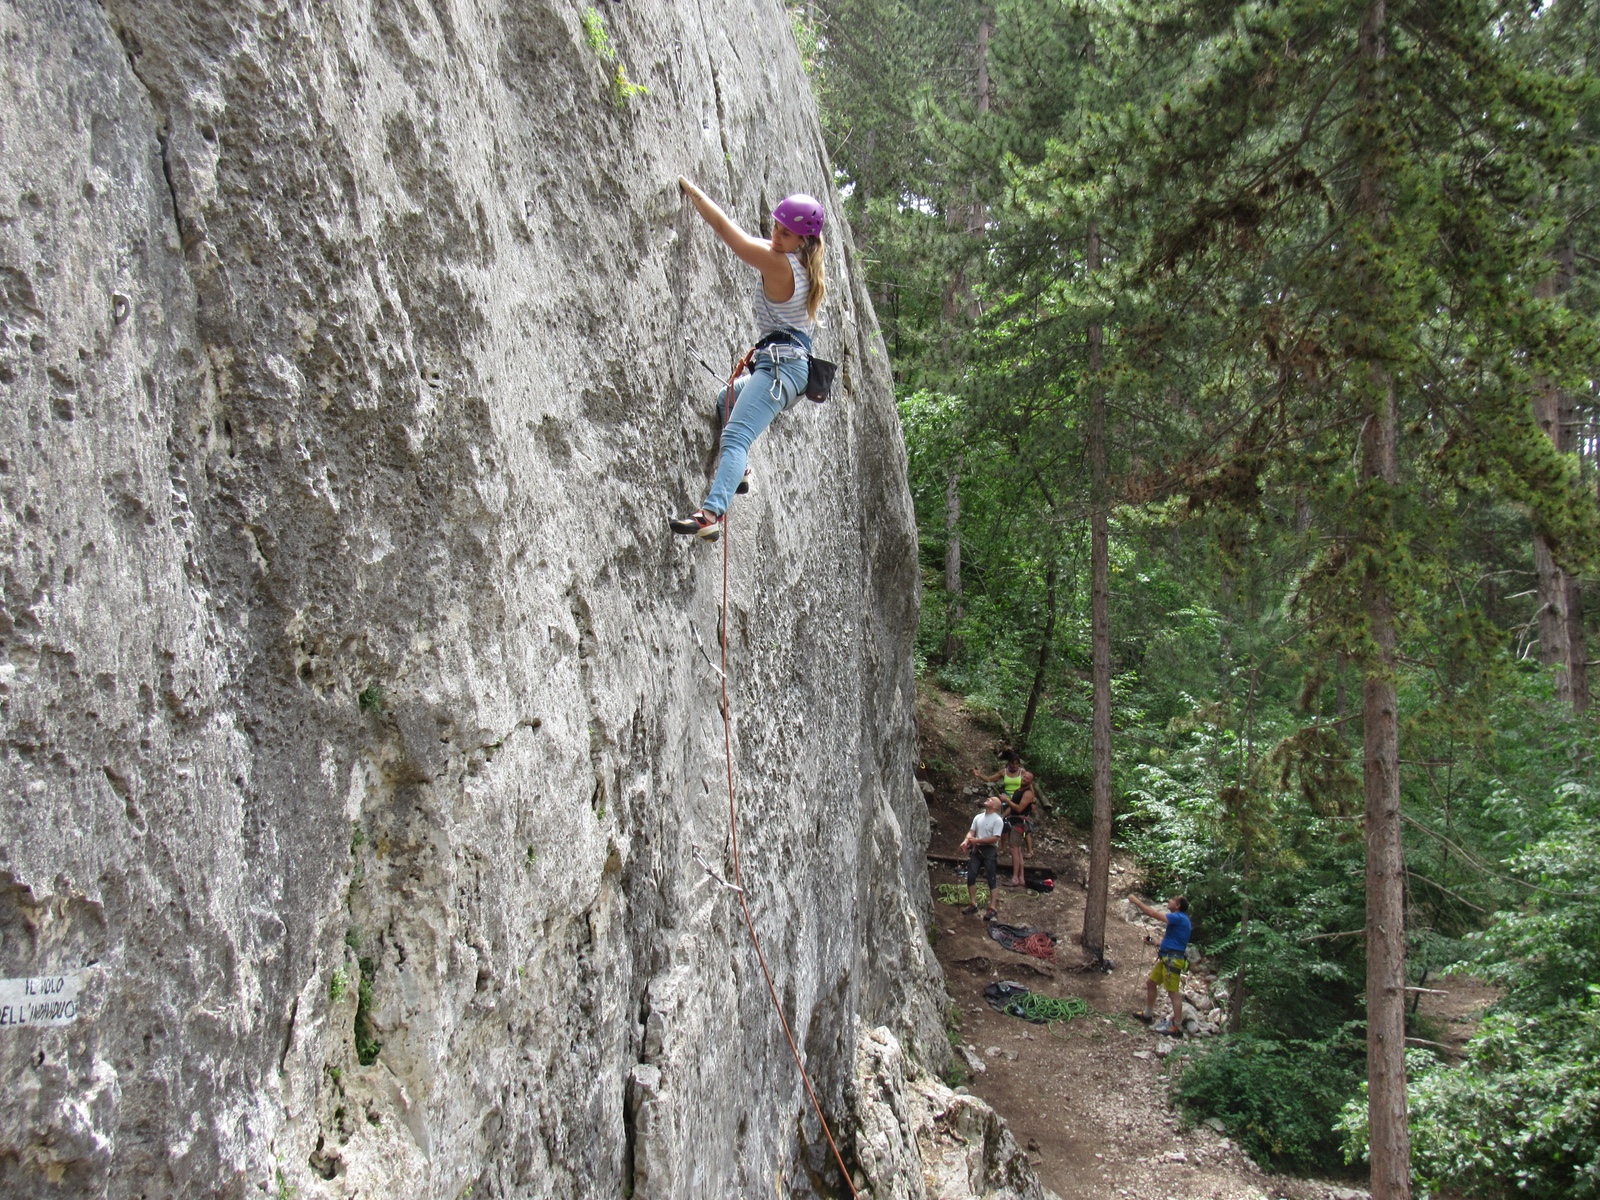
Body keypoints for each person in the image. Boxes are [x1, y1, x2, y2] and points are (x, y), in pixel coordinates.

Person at [670, 178, 827, 542]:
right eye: (775, 226)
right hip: (786, 369)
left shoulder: (780, 265)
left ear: (802, 241)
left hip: (780, 371)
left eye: (785, 233)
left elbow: (728, 231)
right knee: (727, 398)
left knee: (736, 437)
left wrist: (694, 193)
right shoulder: (803, 265)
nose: (776, 236)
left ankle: (710, 515)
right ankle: (740, 475)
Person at [1130, 893, 1191, 1034]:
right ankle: (1147, 1014)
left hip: (1172, 960)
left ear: (1177, 906)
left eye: (1172, 899)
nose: (1169, 900)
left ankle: (1177, 1026)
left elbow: (1151, 912)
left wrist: (1136, 901)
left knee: (1173, 993)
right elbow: (1171, 942)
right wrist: (1153, 942)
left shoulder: (1178, 917)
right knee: (1151, 983)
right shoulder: (1180, 921)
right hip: (1167, 958)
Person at [959, 796, 1006, 919]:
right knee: (971, 875)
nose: (988, 799)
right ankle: (973, 903)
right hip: (977, 849)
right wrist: (965, 841)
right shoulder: (978, 817)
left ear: (995, 806)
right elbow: (971, 831)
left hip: (989, 850)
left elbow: (995, 838)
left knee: (991, 878)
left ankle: (992, 907)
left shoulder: (998, 820)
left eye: (991, 800)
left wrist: (977, 840)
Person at [1000, 781, 1035, 887]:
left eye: (1026, 778)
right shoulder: (1018, 792)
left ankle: (1015, 878)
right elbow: (1012, 808)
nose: (1024, 778)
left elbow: (1019, 808)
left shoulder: (1028, 793)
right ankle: (1021, 878)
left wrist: (1006, 799)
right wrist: (1002, 816)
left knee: (1014, 849)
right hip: (1014, 821)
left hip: (1019, 823)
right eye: (1023, 776)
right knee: (1018, 850)